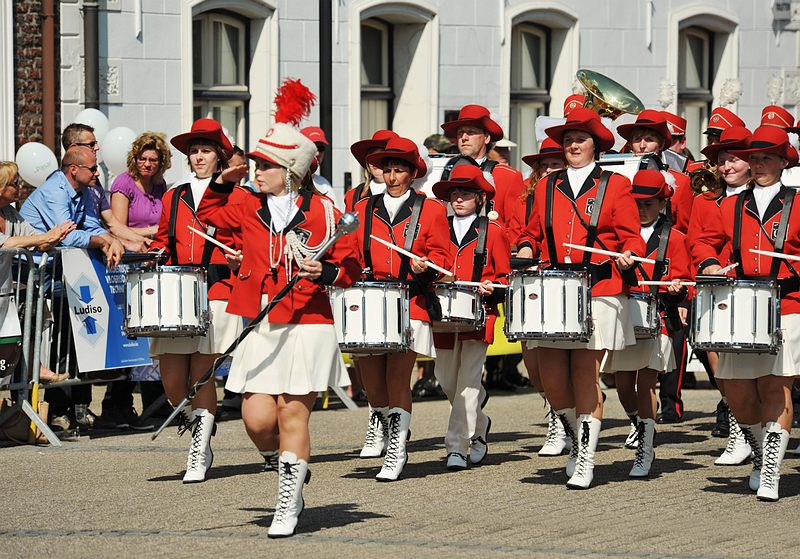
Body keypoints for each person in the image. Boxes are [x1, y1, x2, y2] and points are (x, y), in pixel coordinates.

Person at [197, 118, 360, 537]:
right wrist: (223, 178)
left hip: (308, 319)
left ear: (290, 170)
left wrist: (324, 270)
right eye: (255, 164)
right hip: (261, 317)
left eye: (265, 165)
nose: (256, 171)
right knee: (256, 418)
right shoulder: (247, 203)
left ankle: (288, 497)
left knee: (292, 413)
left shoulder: (325, 210)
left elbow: (352, 266)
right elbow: (207, 213)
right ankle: (289, 465)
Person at [516, 108, 645, 489]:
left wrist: (629, 251)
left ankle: (586, 457)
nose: (572, 145)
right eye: (568, 139)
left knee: (584, 374)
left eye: (580, 139)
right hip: (554, 289)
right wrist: (524, 249)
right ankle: (576, 441)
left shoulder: (616, 184)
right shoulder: (546, 185)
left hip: (600, 289)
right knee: (552, 380)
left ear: (596, 145)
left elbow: (632, 235)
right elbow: (532, 233)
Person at [699, 126, 800, 501]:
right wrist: (709, 262)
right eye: (754, 157)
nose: (759, 164)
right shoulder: (729, 206)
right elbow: (706, 242)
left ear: (782, 161)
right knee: (739, 393)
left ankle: (771, 471)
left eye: (767, 157)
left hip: (787, 305)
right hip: (739, 305)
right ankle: (760, 455)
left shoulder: (799, 201)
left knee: (775, 385)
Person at [148, 118, 243, 483]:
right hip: (178, 291)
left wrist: (238, 255)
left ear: (220, 156)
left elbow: (249, 239)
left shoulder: (238, 194)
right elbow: (163, 239)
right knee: (173, 382)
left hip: (218, 288)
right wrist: (155, 253)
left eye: (205, 151)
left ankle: (199, 450)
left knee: (201, 375)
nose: (198, 157)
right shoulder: (175, 195)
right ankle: (198, 426)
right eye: (194, 151)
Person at [352, 136, 452, 481]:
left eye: (400, 170)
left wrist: (431, 263)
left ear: (412, 174)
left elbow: (444, 254)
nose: (392, 177)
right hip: (370, 302)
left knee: (397, 378)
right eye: (388, 170)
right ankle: (386, 426)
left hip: (410, 299)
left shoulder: (432, 209)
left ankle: (397, 448)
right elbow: (350, 252)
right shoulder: (364, 208)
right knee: (372, 383)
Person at [19, 147, 125, 429]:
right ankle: (51, 409)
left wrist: (111, 240)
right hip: (33, 275)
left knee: (79, 335)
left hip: (65, 275)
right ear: (73, 169)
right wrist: (103, 242)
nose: (97, 173)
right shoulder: (56, 191)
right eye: (92, 168)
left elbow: (90, 224)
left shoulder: (86, 190)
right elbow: (66, 236)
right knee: (58, 340)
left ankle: (78, 407)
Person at [603, 170, 690, 477]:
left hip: (658, 317)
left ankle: (646, 446)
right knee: (622, 384)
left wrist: (678, 289)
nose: (641, 209)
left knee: (645, 383)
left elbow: (684, 278)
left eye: (649, 204)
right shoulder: (615, 237)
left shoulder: (674, 238)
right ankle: (639, 425)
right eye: (636, 203)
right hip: (625, 313)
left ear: (662, 204)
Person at [90, 132, 173, 431]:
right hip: (128, 262)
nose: (148, 164)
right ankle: (115, 405)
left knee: (151, 334)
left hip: (151, 262)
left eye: (153, 159)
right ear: (134, 159)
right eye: (143, 158)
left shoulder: (160, 186)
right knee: (130, 335)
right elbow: (118, 226)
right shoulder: (124, 184)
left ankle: (152, 403)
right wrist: (150, 234)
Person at [430, 165, 510, 470]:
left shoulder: (494, 232)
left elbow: (504, 277)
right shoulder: (438, 227)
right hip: (442, 315)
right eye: (454, 194)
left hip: (479, 315)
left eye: (465, 193)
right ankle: (481, 424)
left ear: (479, 197)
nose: (458, 199)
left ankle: (456, 447)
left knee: (467, 382)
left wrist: (494, 287)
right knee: (447, 380)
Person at [688, 125, 753, 465]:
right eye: (722, 161)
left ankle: (760, 430)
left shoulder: (765, 196)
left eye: (734, 160)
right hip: (716, 287)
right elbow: (696, 240)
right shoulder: (705, 200)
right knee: (720, 362)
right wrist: (710, 262)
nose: (727, 167)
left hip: (756, 289)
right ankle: (739, 427)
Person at [344, 129, 402, 459]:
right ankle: (376, 418)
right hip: (364, 287)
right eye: (374, 158)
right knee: (367, 361)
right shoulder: (356, 197)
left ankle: (393, 422)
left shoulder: (412, 194)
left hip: (397, 287)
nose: (380, 165)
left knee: (392, 362)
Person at [511, 138, 569, 456]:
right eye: (543, 165)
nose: (548, 170)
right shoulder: (524, 196)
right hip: (527, 279)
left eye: (555, 164)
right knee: (533, 364)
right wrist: (521, 248)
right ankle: (554, 409)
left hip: (563, 282)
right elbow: (516, 230)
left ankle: (564, 422)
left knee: (562, 359)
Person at [0, 161, 75, 384]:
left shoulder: (11, 213)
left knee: (31, 301)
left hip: (4, 289)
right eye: (14, 183)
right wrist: (44, 237)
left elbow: (34, 238)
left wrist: (54, 237)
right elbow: (6, 243)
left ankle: (34, 366)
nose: (20, 186)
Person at [61, 123, 151, 252]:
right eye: (91, 144)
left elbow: (112, 223)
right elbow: (74, 232)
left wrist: (142, 240)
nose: (97, 148)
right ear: (74, 148)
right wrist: (123, 243)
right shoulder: (61, 186)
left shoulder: (94, 181)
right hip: (66, 259)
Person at [440, 105, 526, 228]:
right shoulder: (446, 171)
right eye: (460, 133)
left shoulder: (508, 177)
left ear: (486, 138)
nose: (464, 138)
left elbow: (516, 229)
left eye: (471, 132)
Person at [616, 109, 693, 233]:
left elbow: (683, 229)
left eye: (649, 140)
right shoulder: (619, 176)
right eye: (637, 139)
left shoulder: (682, 182)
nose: (642, 145)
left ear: (661, 145)